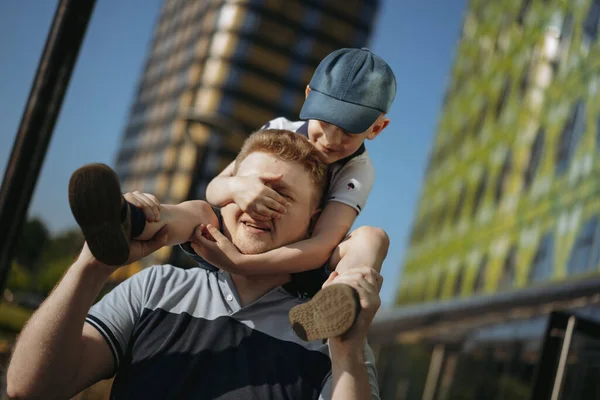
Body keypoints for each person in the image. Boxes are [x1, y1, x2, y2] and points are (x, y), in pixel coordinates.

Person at [7, 130, 385, 400]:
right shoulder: (155, 289)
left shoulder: (331, 336)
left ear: (315, 220)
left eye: (281, 195)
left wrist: (347, 355)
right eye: (249, 189)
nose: (257, 204)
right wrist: (92, 263)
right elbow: (30, 388)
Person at [195, 47, 396, 340]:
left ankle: (336, 305)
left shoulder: (358, 170)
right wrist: (238, 186)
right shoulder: (278, 130)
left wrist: (242, 265)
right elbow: (214, 189)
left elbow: (324, 243)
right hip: (246, 238)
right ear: (308, 97)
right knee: (193, 210)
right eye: (324, 121)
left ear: (377, 128)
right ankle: (134, 221)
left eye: (348, 131)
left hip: (300, 266)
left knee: (373, 238)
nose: (330, 139)